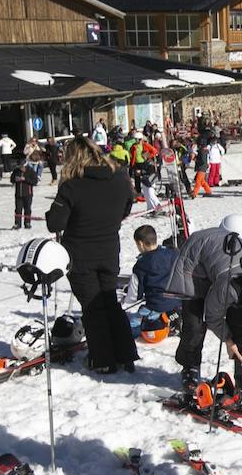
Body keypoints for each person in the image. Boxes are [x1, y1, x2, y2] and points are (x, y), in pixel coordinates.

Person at [45, 137, 138, 374]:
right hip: (109, 249)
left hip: (80, 252)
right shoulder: (119, 177)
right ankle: (125, 354)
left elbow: (55, 222)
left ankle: (103, 359)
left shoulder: (72, 185)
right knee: (109, 302)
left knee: (93, 308)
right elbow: (129, 203)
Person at [167, 215, 242, 394]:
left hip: (223, 267)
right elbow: (212, 316)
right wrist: (228, 341)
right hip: (194, 265)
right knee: (195, 323)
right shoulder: (230, 287)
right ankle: (190, 368)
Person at [125, 224, 183, 339]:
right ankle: (173, 321)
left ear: (140, 243)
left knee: (129, 324)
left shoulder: (141, 265)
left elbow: (134, 296)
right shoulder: (173, 253)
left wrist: (125, 299)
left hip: (156, 306)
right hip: (179, 302)